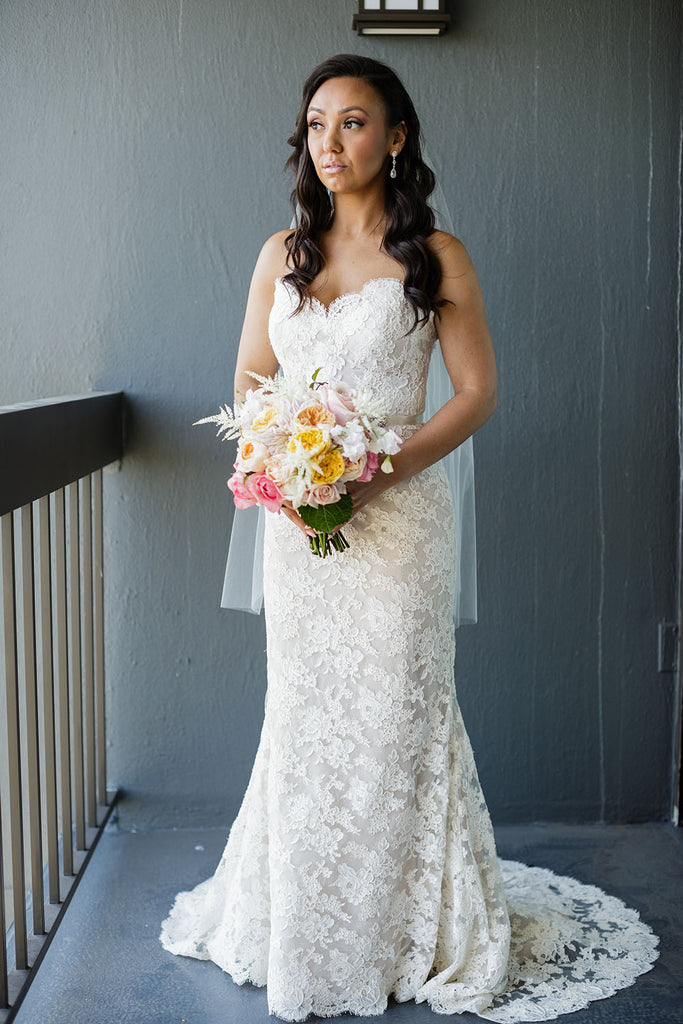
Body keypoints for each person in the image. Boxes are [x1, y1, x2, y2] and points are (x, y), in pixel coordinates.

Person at [160, 54, 658, 1022]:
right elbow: (251, 390)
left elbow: (476, 393)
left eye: (352, 123)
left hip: (402, 524)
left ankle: (409, 933)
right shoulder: (281, 255)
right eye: (315, 125)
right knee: (306, 719)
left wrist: (378, 466)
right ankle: (305, 928)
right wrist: (288, 466)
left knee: (396, 714)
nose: (330, 142)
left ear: (395, 138)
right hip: (300, 528)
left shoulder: (437, 255)